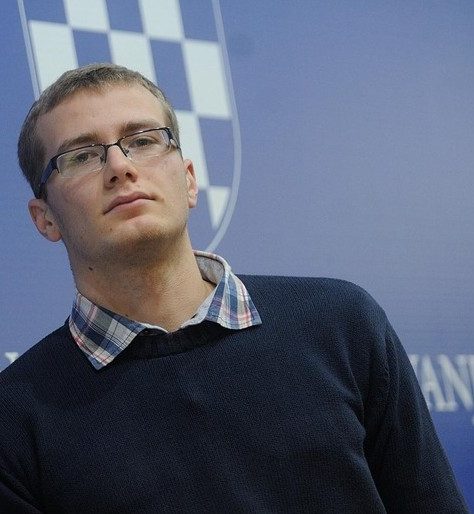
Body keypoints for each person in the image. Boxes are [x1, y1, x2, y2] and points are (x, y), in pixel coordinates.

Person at [0, 62, 467, 513]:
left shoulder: (342, 325)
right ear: (45, 219)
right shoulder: (14, 418)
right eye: (82, 156)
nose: (120, 167)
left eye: (142, 140)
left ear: (188, 181)